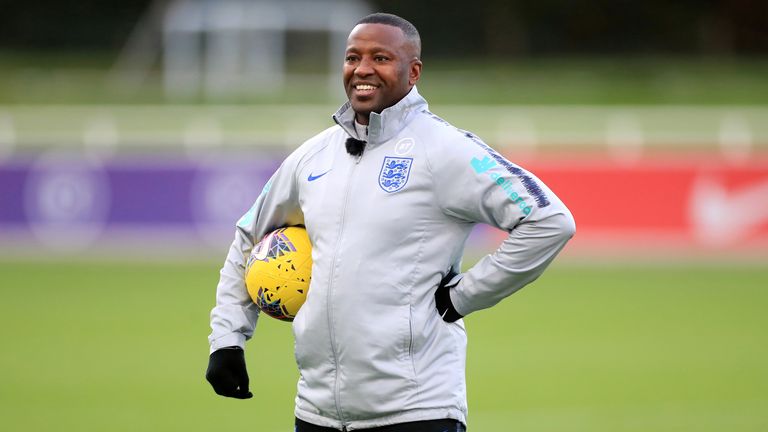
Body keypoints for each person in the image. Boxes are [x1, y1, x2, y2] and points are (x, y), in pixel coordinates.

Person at [206, 12, 575, 432]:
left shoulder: (445, 150)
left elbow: (548, 220)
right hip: (317, 411)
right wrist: (228, 340)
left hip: (417, 410)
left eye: (380, 57)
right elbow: (249, 236)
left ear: (413, 71)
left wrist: (464, 297)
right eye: (352, 58)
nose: (362, 69)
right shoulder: (314, 155)